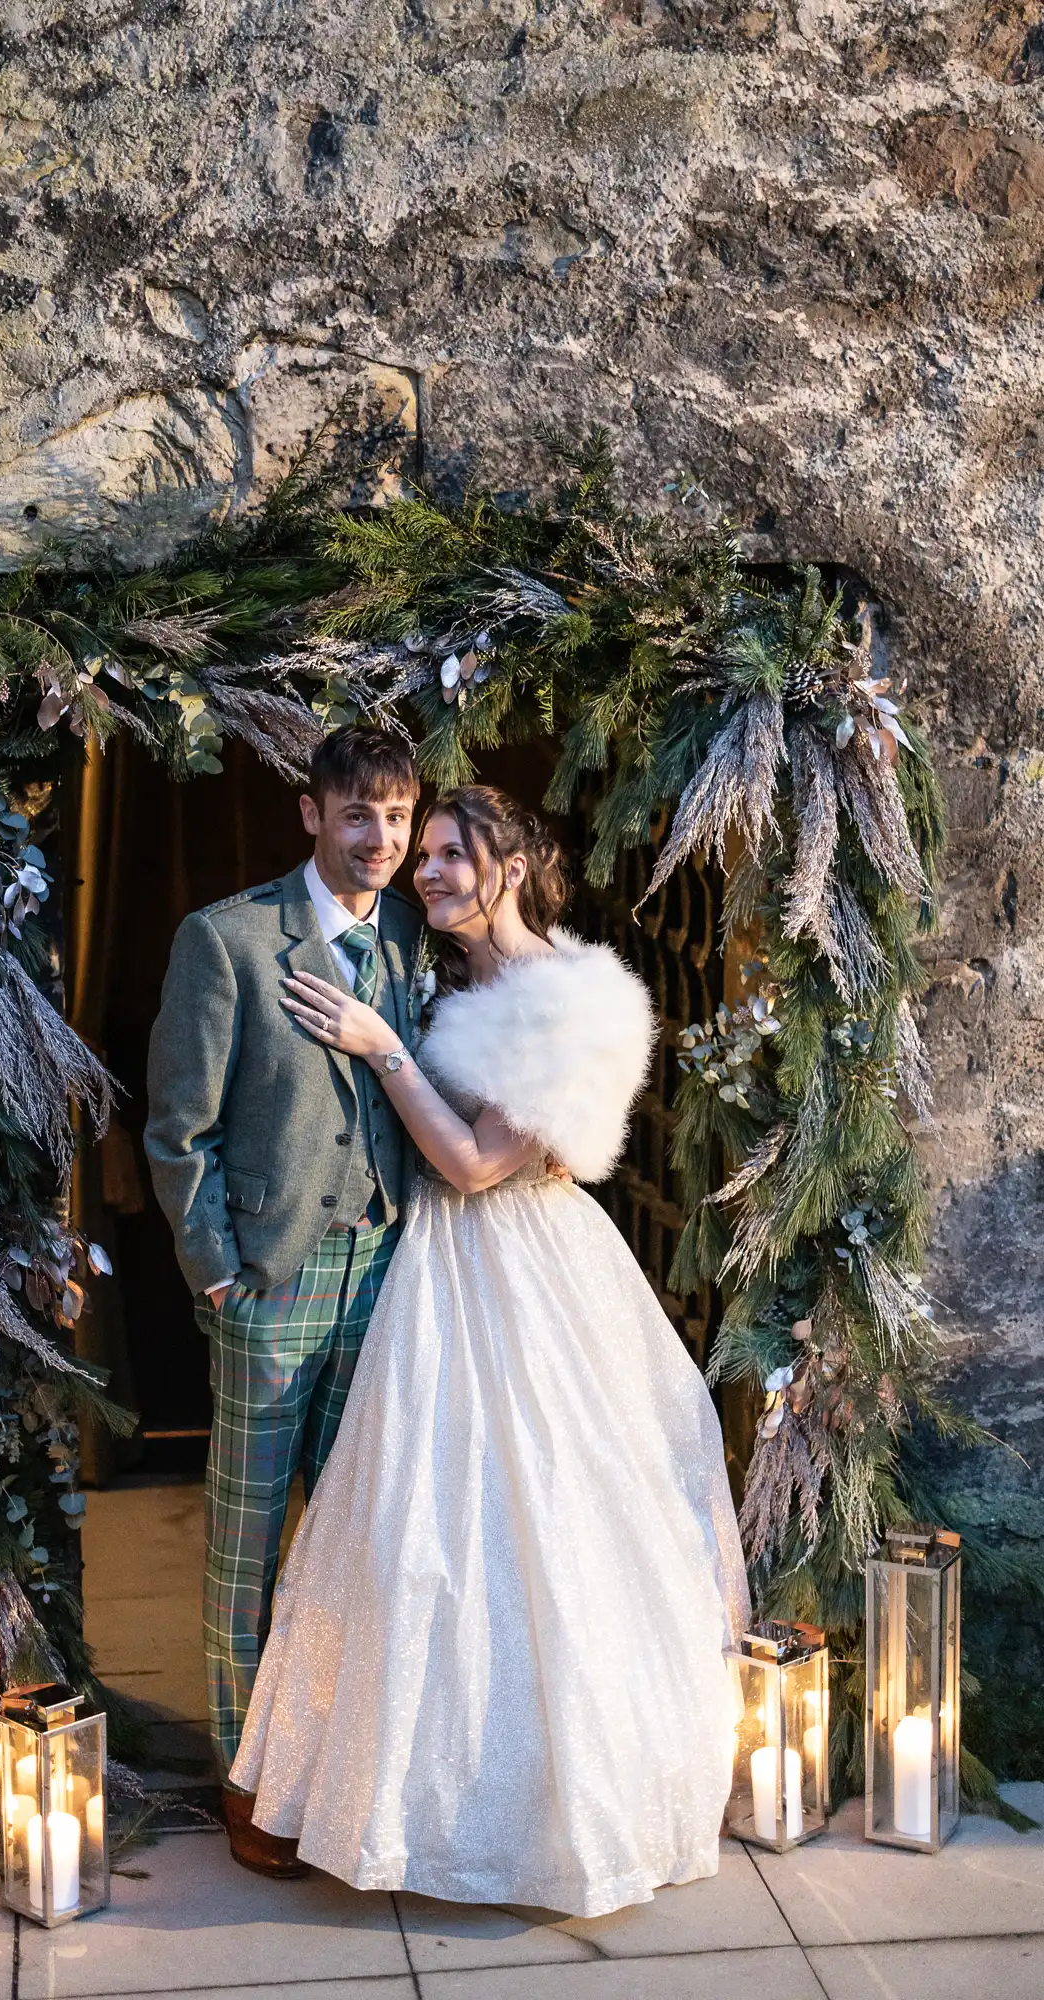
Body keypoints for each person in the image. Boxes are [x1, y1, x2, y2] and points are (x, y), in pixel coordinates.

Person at [230, 784, 751, 1918]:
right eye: (423, 854)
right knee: (417, 1527)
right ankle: (397, 1795)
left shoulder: (567, 998)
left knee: (551, 1513)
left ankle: (553, 1810)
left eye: (452, 854)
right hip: (433, 1269)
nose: (426, 871)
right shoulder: (443, 976)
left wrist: (380, 1050)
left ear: (512, 866)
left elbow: (473, 1163)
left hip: (524, 1267)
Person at [143, 725, 423, 1876]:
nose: (383, 840)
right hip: (273, 1277)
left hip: (388, 1272)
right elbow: (176, 1128)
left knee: (359, 1532)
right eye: (359, 814)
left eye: (399, 817)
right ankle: (249, 1779)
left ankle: (334, 1760)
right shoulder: (229, 938)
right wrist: (216, 1268)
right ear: (311, 814)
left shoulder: (412, 933)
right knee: (249, 1544)